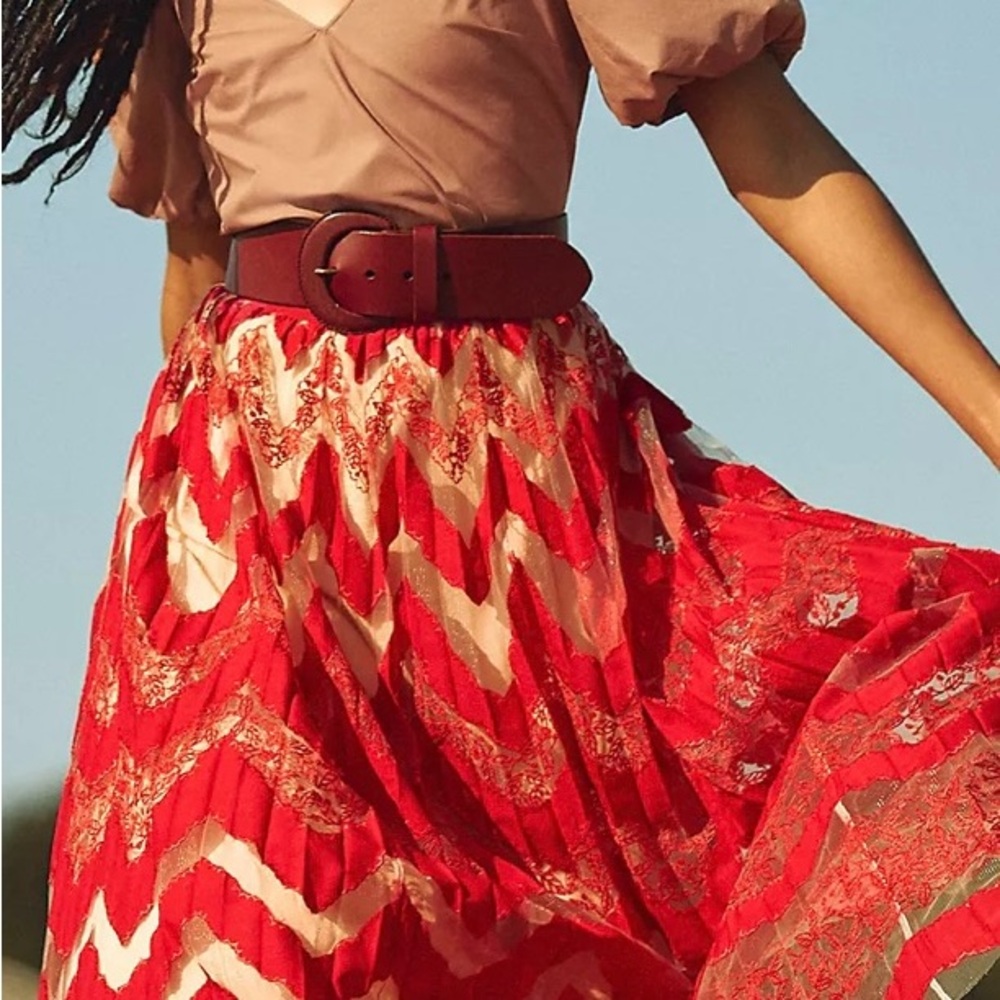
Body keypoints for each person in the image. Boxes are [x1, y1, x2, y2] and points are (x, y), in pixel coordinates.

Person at [4, 0, 999, 996]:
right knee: (238, 922)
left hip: (519, 505)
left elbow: (774, 146)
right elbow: (195, 248)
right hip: (248, 508)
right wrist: (174, 540)